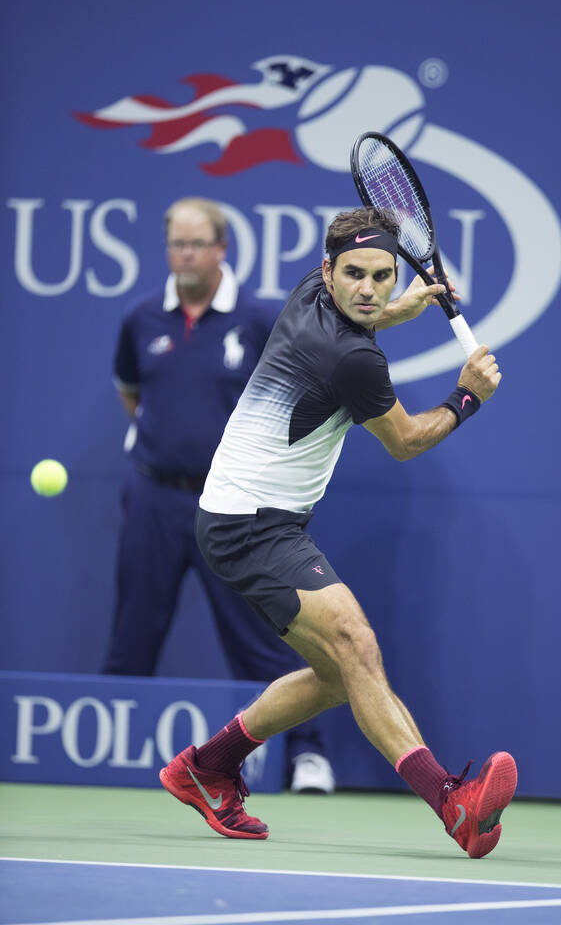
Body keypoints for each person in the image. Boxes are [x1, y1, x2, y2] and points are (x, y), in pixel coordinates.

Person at [159, 205, 517, 858]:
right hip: (249, 525)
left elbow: (364, 312)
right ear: (329, 270)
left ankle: (206, 768)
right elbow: (407, 440)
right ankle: (451, 803)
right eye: (354, 274)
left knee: (336, 676)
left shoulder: (310, 293)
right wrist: (466, 398)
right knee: (355, 643)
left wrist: (403, 309)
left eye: (381, 276)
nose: (367, 289)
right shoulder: (351, 358)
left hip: (251, 516)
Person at [104, 196, 335, 793]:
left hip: (232, 508)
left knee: (266, 636)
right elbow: (133, 394)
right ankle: (101, 757)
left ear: (221, 249)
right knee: (133, 633)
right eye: (175, 244)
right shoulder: (140, 319)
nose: (184, 255)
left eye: (195, 244)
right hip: (153, 499)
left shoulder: (257, 322)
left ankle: (305, 756)